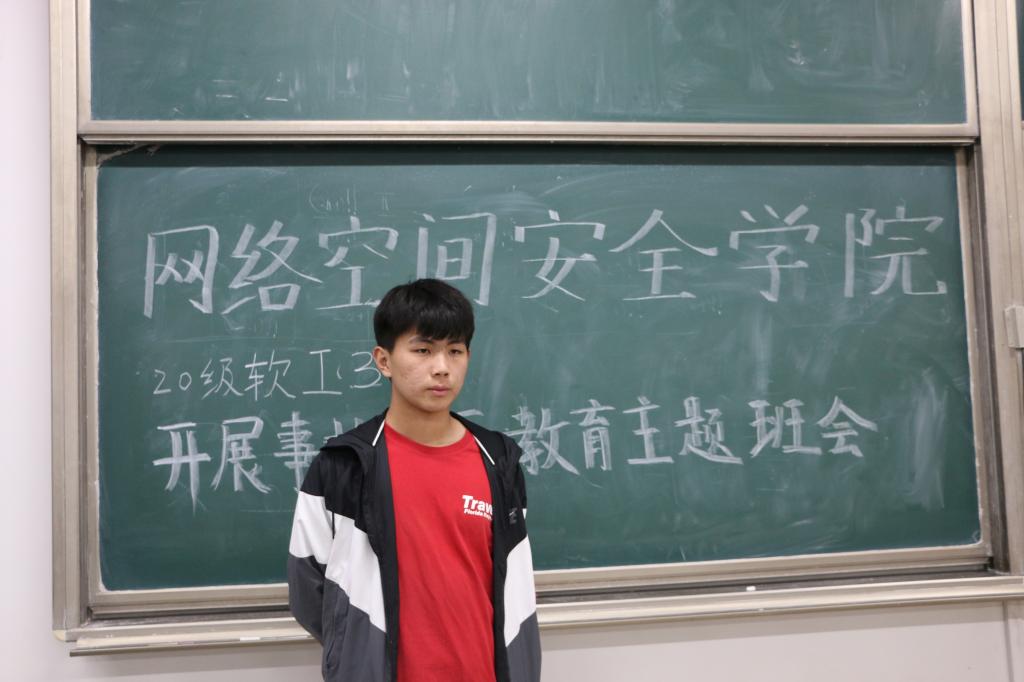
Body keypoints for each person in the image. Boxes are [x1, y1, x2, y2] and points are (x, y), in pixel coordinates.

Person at [287, 278, 541, 682]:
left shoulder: (499, 462)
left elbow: (517, 586)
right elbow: (308, 589)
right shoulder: (343, 467)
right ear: (384, 360)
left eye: (455, 351)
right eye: (423, 350)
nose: (441, 367)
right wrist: (356, 655)